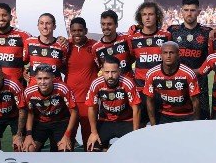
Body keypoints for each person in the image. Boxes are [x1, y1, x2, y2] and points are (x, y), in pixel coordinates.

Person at [167, 0, 212, 120]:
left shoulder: (207, 32)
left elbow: (211, 59)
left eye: (192, 10)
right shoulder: (172, 31)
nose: (189, 13)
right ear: (181, 11)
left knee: (201, 120)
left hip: (200, 82)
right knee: (177, 118)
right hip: (178, 82)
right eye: (186, 10)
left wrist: (198, 71)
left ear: (198, 12)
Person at [128, 1, 172, 125]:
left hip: (161, 88)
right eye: (144, 14)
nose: (147, 17)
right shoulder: (132, 38)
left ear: (157, 16)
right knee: (140, 125)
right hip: (140, 88)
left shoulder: (166, 36)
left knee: (160, 125)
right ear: (140, 17)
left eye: (151, 14)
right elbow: (131, 58)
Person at [85, 55, 141, 151]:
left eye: (113, 72)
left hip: (126, 121)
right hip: (105, 120)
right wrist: (93, 132)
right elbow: (92, 107)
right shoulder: (96, 84)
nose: (110, 76)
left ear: (119, 71)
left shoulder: (128, 82)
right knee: (93, 147)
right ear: (102, 70)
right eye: (107, 72)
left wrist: (135, 134)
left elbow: (136, 108)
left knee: (135, 148)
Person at [20, 69, 78, 152]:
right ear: (35, 78)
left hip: (60, 122)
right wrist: (28, 135)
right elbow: (30, 113)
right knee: (29, 149)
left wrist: (67, 135)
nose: (43, 82)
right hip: (41, 123)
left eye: (46, 78)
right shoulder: (29, 91)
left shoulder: (62, 88)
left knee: (65, 150)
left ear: (53, 78)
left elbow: (74, 112)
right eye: (39, 78)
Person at [144, 41, 200, 125]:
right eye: (165, 53)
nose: (168, 56)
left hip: (186, 115)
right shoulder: (151, 74)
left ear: (178, 55)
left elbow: (195, 101)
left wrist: (196, 123)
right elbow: (149, 100)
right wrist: (153, 125)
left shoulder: (188, 73)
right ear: (161, 55)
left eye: (171, 53)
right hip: (164, 115)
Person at [65, 17, 98, 147]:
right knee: (68, 140)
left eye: (80, 30)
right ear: (70, 31)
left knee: (89, 140)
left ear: (86, 31)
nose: (77, 34)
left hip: (88, 102)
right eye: (74, 31)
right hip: (70, 101)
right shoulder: (65, 46)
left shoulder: (94, 46)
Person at [26, 12, 69, 82]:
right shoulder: (29, 42)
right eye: (41, 23)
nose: (44, 27)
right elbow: (21, 63)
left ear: (54, 26)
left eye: (48, 23)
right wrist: (25, 71)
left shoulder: (62, 45)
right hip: (34, 88)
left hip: (56, 89)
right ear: (38, 25)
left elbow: (65, 68)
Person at [92, 10, 132, 75]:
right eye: (103, 24)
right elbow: (99, 69)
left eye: (109, 24)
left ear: (116, 25)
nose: (106, 27)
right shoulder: (96, 48)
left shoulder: (126, 38)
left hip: (127, 82)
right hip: (110, 83)